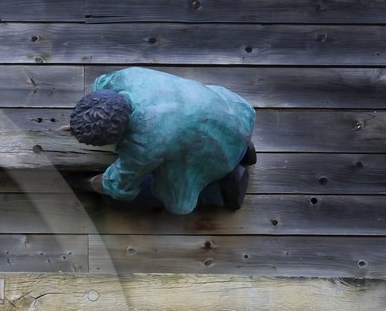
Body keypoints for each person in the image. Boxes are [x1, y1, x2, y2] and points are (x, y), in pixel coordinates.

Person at [68, 66, 256, 214]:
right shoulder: (121, 78)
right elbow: (97, 102)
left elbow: (118, 185)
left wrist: (82, 183)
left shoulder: (144, 142)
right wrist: (84, 122)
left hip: (212, 152)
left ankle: (224, 188)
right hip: (233, 112)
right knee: (195, 127)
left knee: (125, 198)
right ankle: (244, 149)